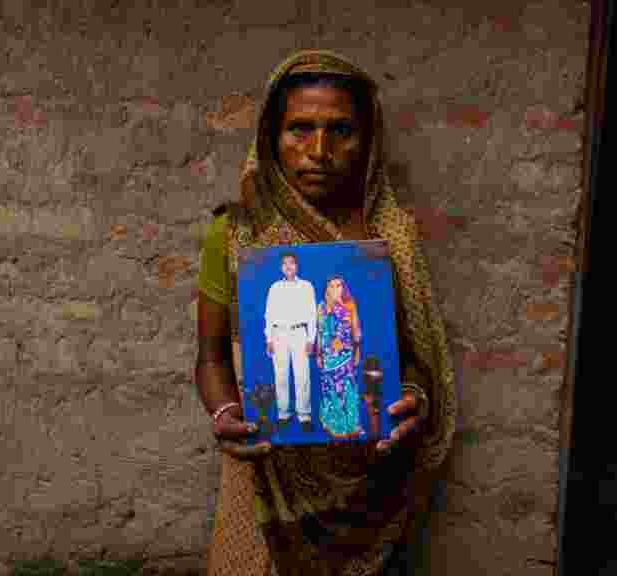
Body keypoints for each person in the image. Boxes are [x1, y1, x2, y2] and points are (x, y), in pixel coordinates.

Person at [195, 50, 456, 576]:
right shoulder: (238, 234)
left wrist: (413, 400)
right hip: (265, 476)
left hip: (370, 479)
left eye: (341, 130)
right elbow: (211, 360)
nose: (319, 150)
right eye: (300, 129)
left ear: (369, 140)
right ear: (272, 136)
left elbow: (414, 358)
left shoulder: (392, 238)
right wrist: (226, 415)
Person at [263, 252, 318, 431]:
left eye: (292, 263)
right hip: (279, 333)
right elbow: (269, 314)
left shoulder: (306, 286)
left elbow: (312, 314)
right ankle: (283, 413)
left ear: (297, 266)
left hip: (299, 333)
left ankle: (304, 415)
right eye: (285, 264)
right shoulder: (274, 287)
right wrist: (269, 338)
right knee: (281, 375)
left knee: (302, 374)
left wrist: (311, 338)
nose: (288, 267)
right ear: (281, 267)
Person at [316, 275, 364, 439]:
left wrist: (358, 352)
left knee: (347, 388)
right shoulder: (321, 307)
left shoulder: (350, 305)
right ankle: (331, 424)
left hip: (345, 355)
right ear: (327, 289)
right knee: (329, 389)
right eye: (332, 286)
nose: (336, 289)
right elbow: (319, 333)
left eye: (339, 285)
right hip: (328, 357)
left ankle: (350, 425)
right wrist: (318, 355)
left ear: (343, 288)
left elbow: (356, 332)